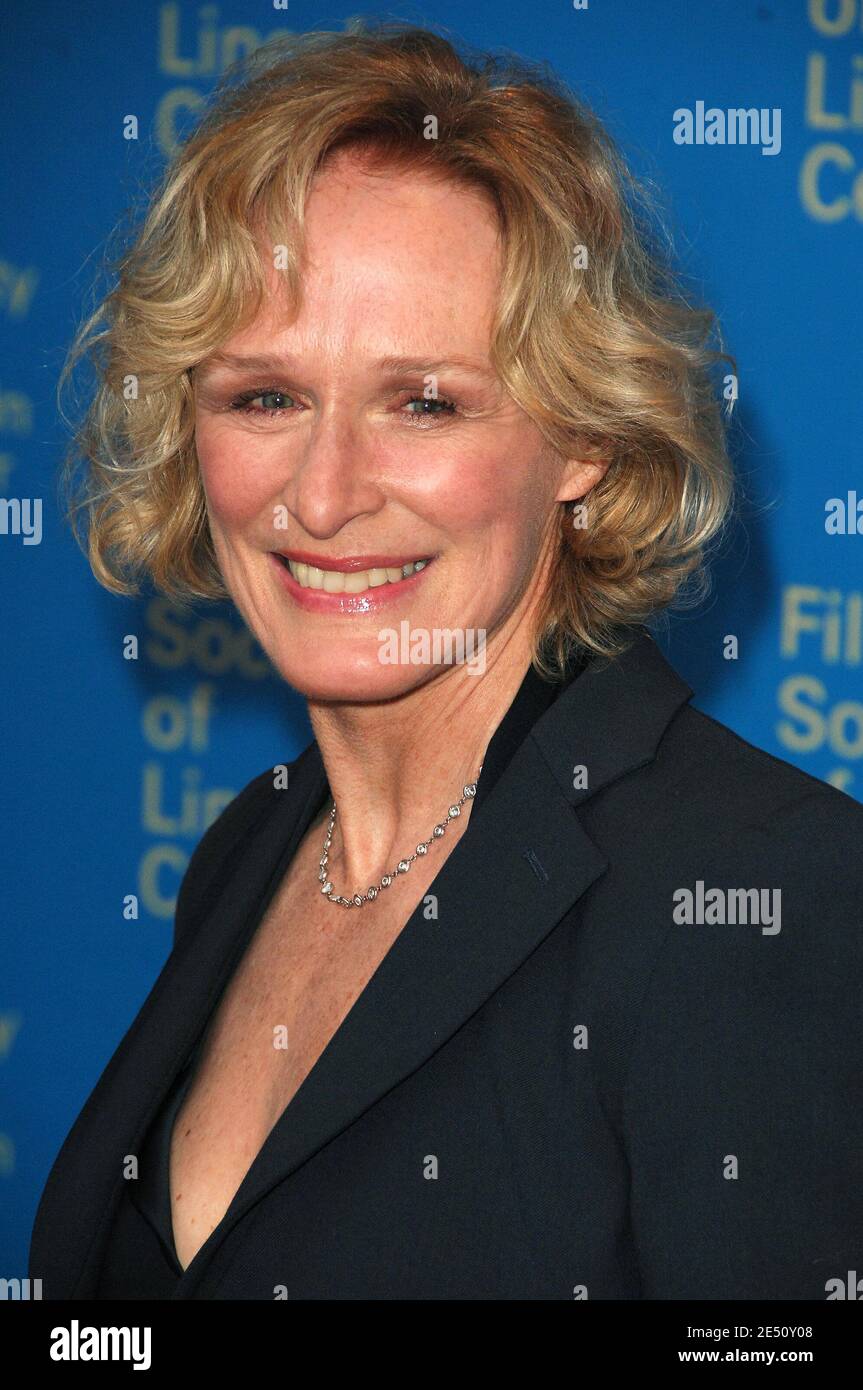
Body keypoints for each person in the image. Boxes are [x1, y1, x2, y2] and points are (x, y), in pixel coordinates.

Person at [30, 23, 863, 1300]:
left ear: (581, 437)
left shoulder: (760, 895)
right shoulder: (247, 857)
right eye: (265, 396)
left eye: (422, 401)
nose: (320, 497)